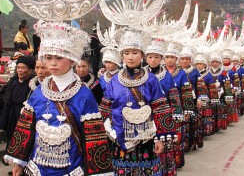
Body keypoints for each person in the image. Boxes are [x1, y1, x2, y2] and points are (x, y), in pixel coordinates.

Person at [2, 22, 112, 176]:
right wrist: (19, 163)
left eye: (59, 57)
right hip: (37, 168)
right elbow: (25, 128)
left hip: (71, 168)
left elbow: (94, 137)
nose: (52, 63)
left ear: (73, 60)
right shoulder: (39, 92)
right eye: (48, 57)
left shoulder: (84, 94)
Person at [99, 28, 175, 175]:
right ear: (121, 55)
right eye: (126, 53)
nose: (130, 57)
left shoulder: (151, 80)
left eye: (135, 53)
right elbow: (105, 108)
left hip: (145, 137)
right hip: (119, 137)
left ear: (142, 55)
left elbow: (161, 109)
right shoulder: (114, 81)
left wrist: (160, 138)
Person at [145, 39, 180, 176]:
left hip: (163, 115)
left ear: (161, 58)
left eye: (156, 57)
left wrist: (176, 115)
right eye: (150, 57)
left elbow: (173, 97)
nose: (153, 60)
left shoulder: (167, 76)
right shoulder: (141, 74)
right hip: (145, 117)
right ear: (145, 57)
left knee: (164, 146)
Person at [0, 55, 35, 171]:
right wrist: (3, 123)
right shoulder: (14, 83)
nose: (20, 70)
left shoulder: (32, 85)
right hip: (12, 116)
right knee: (12, 141)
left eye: (23, 68)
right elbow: (8, 103)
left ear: (30, 70)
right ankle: (15, 166)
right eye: (18, 67)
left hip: (24, 117)